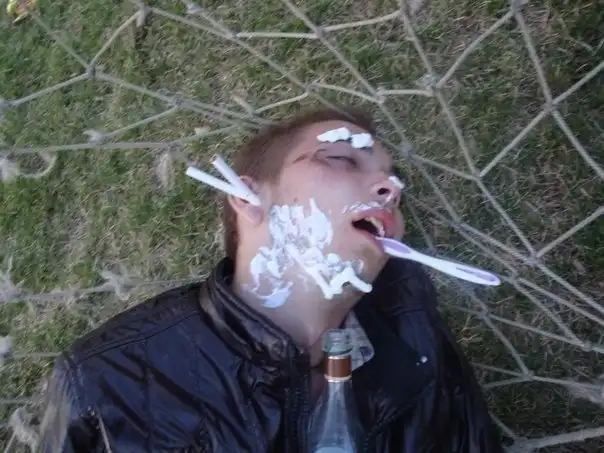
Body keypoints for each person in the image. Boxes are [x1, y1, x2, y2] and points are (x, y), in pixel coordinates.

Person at [37, 106, 503, 452]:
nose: (391, 188)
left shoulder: (415, 334)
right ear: (247, 197)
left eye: (394, 179)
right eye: (340, 158)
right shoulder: (111, 382)